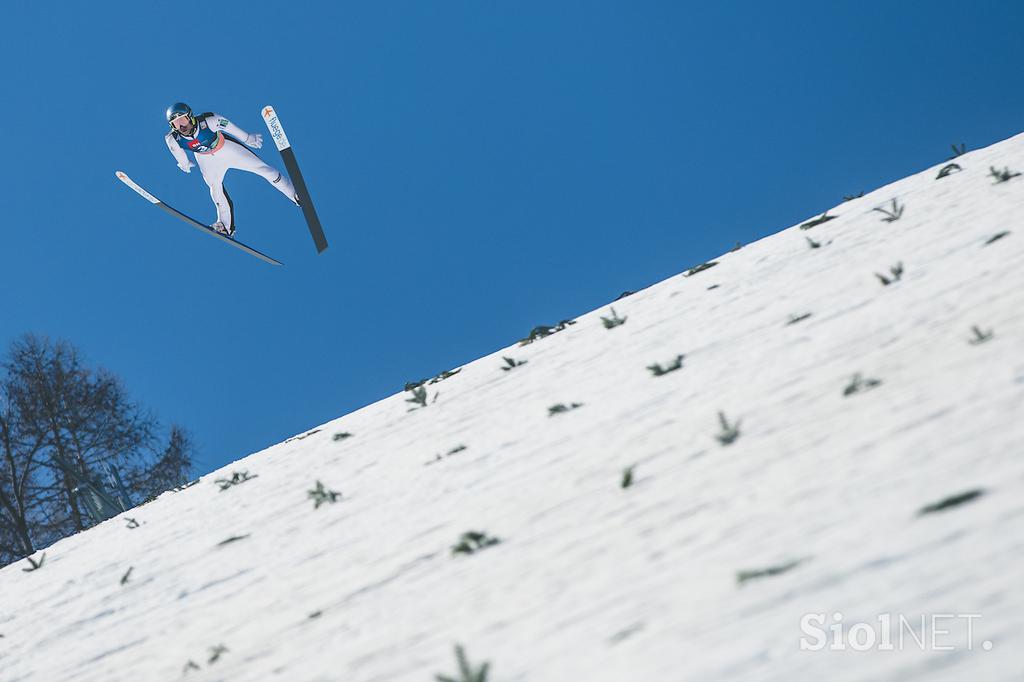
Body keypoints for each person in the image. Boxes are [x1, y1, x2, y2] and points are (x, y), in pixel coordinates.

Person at [164, 102, 299, 237]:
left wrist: (247, 138)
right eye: (176, 123)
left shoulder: (209, 121)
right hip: (206, 160)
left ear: (190, 117)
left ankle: (295, 195)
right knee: (215, 187)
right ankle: (225, 226)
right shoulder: (173, 139)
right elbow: (178, 154)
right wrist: (184, 164)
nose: (182, 126)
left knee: (264, 170)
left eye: (183, 119)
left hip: (226, 149)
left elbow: (229, 127)